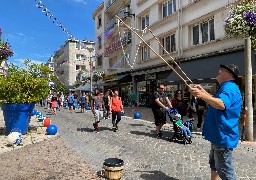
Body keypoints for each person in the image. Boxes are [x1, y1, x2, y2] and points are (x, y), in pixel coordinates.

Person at [190, 64, 242, 180]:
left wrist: (201, 95)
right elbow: (215, 101)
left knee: (225, 172)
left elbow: (221, 104)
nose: (218, 71)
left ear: (229, 74)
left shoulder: (230, 88)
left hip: (223, 136)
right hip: (218, 135)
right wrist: (203, 92)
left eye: (222, 70)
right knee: (214, 164)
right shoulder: (225, 87)